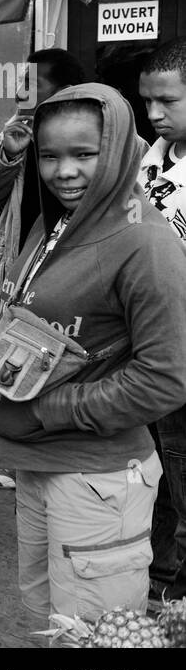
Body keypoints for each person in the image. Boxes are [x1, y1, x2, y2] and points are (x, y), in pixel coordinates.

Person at [0, 83, 186, 627]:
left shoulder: (146, 246)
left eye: (84, 155)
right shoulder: (60, 228)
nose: (63, 171)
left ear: (117, 151)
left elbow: (165, 379)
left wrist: (47, 410)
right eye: (49, 156)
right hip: (39, 462)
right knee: (51, 622)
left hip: (97, 477)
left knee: (96, 638)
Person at [0, 48, 85, 488]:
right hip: (22, 270)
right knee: (14, 363)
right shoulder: (17, 131)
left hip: (74, 269)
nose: (19, 91)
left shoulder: (103, 136)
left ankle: (57, 459)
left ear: (64, 90)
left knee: (64, 362)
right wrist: (9, 154)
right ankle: (22, 460)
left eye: (30, 83)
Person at [138, 38, 186, 604]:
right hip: (148, 340)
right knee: (157, 464)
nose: (154, 113)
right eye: (147, 100)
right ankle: (159, 580)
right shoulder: (153, 157)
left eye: (167, 101)